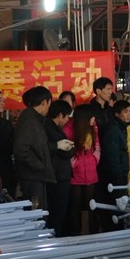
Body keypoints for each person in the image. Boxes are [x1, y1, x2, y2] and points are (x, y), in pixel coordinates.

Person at [13, 86, 54, 208]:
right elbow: (21, 151)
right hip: (32, 176)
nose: (49, 108)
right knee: (36, 213)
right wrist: (40, 165)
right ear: (44, 102)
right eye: (49, 104)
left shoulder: (35, 119)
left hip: (36, 175)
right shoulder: (29, 120)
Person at [65, 104, 101, 235]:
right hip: (75, 174)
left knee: (90, 205)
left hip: (90, 171)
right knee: (75, 206)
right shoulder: (69, 129)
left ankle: (90, 232)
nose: (94, 119)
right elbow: (67, 150)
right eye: (92, 117)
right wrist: (74, 164)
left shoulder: (93, 127)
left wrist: (94, 159)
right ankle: (75, 233)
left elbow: (97, 145)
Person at [99, 100, 130, 230]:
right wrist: (118, 175)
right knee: (117, 206)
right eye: (125, 112)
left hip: (122, 172)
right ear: (117, 114)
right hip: (115, 176)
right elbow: (112, 155)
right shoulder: (113, 130)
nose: (128, 114)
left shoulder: (123, 128)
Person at [44, 100, 75, 236]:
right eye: (67, 116)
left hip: (59, 174)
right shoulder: (50, 129)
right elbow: (66, 151)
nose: (68, 120)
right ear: (60, 115)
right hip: (57, 175)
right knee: (58, 211)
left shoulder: (53, 128)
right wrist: (70, 149)